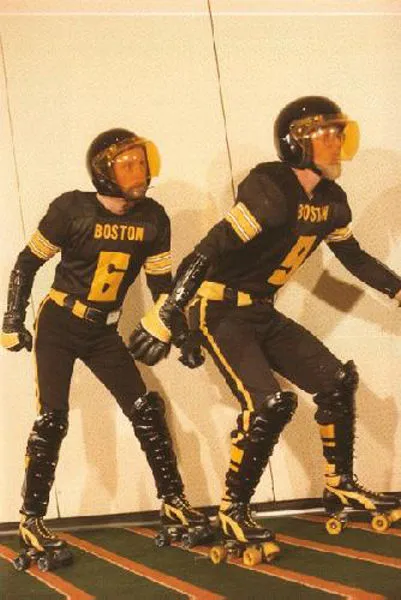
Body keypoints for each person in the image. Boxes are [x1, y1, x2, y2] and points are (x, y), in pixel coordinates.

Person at [129, 96, 401, 550]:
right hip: (220, 310)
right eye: (327, 136)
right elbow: (208, 250)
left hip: (259, 310)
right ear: (298, 142)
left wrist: (397, 290)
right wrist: (169, 312)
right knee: (269, 405)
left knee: (335, 381)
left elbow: (353, 257)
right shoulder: (270, 188)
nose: (337, 144)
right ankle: (233, 509)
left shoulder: (331, 201)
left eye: (339, 135)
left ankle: (339, 485)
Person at [1, 128, 209, 571]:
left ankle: (173, 501)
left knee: (145, 410)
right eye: (127, 164)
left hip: (103, 330)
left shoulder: (153, 217)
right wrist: (12, 318)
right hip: (60, 321)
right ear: (104, 172)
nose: (139, 172)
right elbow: (27, 262)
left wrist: (183, 333)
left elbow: (162, 286)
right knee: (52, 419)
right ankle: (32, 519)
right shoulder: (70, 209)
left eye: (141, 162)